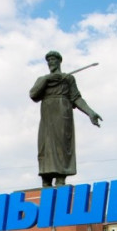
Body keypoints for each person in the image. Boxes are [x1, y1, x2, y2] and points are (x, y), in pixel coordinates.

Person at [29, 50, 102, 187]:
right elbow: (33, 95)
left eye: (53, 59)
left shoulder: (68, 78)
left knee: (62, 144)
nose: (51, 62)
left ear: (59, 61)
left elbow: (76, 98)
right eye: (48, 60)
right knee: (45, 146)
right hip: (47, 116)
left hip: (63, 113)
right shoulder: (42, 79)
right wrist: (47, 80)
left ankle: (60, 178)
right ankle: (46, 179)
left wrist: (90, 112)